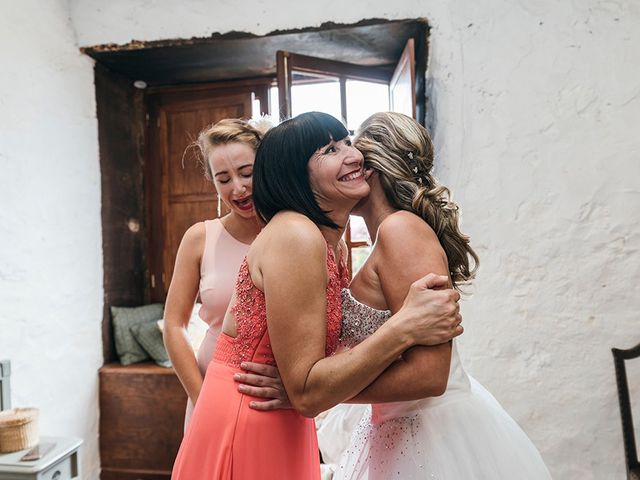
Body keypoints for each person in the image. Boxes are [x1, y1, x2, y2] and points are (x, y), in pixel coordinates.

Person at [170, 112, 464, 480]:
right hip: (250, 409)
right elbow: (306, 387)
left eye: (346, 142)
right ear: (298, 175)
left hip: (282, 409)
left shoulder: (331, 243)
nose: (354, 155)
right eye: (329, 149)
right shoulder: (296, 235)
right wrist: (403, 326)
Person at [331, 111, 552, 479]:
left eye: (351, 157)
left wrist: (323, 390)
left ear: (369, 169)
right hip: (401, 429)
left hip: (431, 436)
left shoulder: (401, 230)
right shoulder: (388, 235)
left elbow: (430, 376)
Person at [163, 118, 289, 430]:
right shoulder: (199, 238)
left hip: (277, 392)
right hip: (210, 391)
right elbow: (174, 325)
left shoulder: (294, 233)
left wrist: (297, 385)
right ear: (212, 181)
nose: (238, 187)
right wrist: (202, 397)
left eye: (247, 173)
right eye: (224, 179)